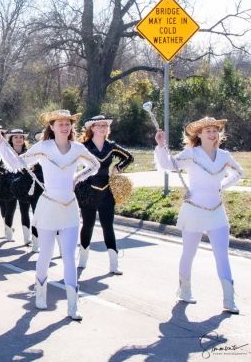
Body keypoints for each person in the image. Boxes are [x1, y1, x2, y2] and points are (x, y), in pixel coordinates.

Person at [0, 110, 99, 321]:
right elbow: (17, 163)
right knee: (46, 253)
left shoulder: (78, 148)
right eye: (59, 123)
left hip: (69, 205)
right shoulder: (44, 147)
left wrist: (78, 177)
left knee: (69, 256)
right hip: (48, 205)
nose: (64, 126)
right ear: (51, 126)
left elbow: (94, 165)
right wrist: (1, 145)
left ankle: (73, 305)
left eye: (67, 123)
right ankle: (40, 295)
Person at [154, 117, 244, 314]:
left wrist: (222, 186)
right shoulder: (191, 154)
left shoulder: (224, 155)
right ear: (199, 134)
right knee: (189, 253)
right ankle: (185, 290)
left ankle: (229, 299)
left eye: (215, 130)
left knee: (222, 255)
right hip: (194, 210)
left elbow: (238, 172)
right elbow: (168, 165)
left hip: (217, 211)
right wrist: (161, 145)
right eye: (208, 131)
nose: (212, 134)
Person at [75, 116, 133, 275]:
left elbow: (129, 157)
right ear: (92, 128)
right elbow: (71, 162)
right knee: (88, 225)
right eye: (99, 125)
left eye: (105, 125)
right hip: (88, 190)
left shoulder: (111, 146)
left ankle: (114, 265)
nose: (103, 128)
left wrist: (118, 168)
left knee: (108, 226)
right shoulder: (83, 146)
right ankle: (83, 259)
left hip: (107, 191)